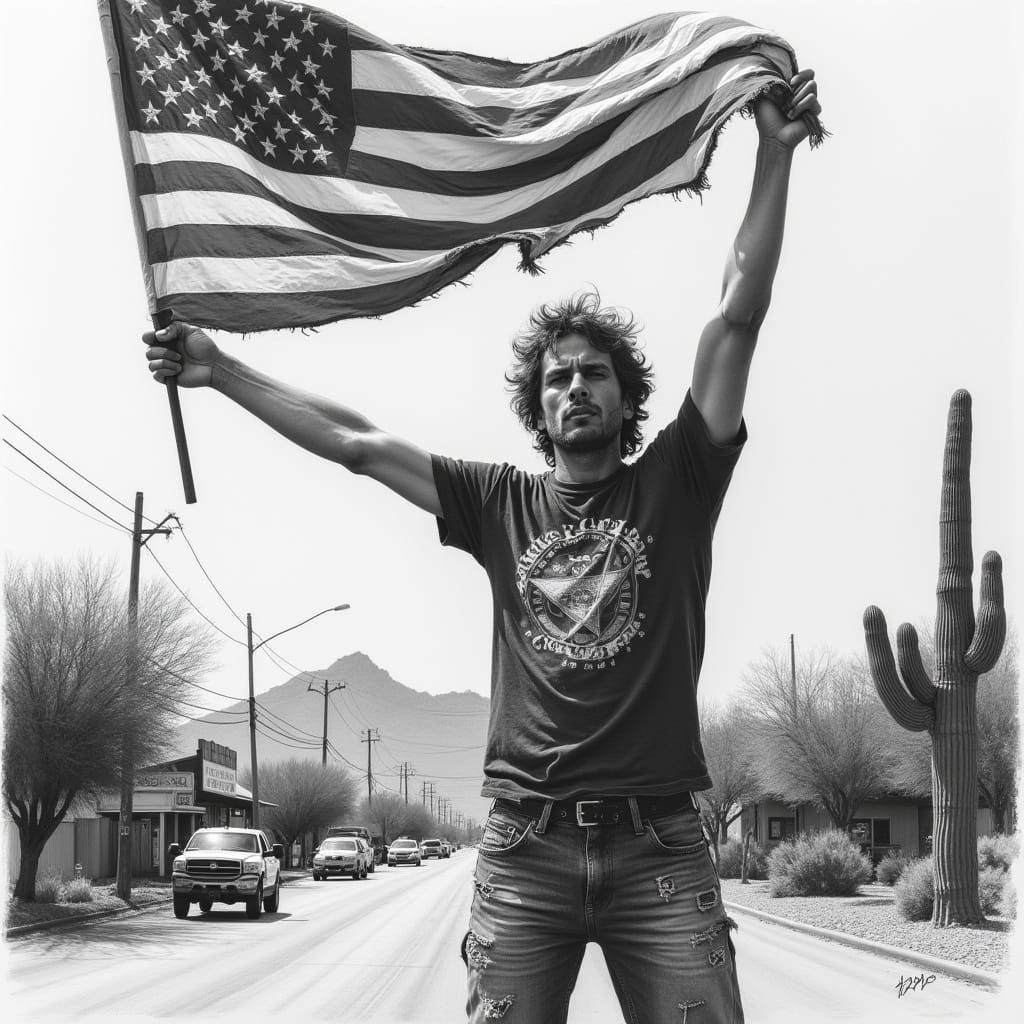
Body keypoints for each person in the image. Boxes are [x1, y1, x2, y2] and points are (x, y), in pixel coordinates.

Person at [145, 71, 821, 1024]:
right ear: (537, 407)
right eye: (557, 379)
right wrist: (221, 369)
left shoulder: (678, 480)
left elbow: (736, 318)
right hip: (524, 850)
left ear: (627, 397)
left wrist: (774, 157)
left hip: (661, 847)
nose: (576, 387)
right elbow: (359, 444)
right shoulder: (496, 501)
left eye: (594, 374)